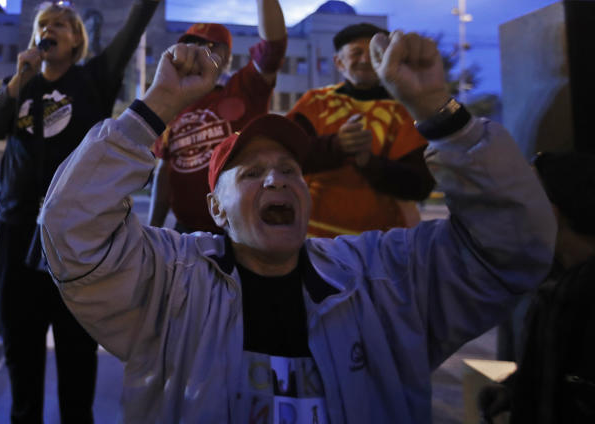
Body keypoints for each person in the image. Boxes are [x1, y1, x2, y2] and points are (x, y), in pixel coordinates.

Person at [39, 33, 555, 423]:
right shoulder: (170, 284)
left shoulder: (384, 281)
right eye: (252, 172)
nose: (276, 180)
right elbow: (71, 230)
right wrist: (153, 109)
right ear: (216, 209)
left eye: (290, 171)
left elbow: (513, 246)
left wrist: (442, 115)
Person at [0, 0, 171, 423]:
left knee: (75, 359)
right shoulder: (23, 86)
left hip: (75, 242)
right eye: (44, 24)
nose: (51, 29)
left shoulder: (94, 79)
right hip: (16, 234)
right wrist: (18, 81)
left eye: (61, 24)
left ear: (77, 39)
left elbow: (136, 23)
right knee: (21, 357)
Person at [148, 0, 287, 234]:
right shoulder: (172, 106)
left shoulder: (244, 89)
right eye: (193, 44)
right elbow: (165, 171)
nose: (200, 52)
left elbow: (273, 47)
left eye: (212, 47)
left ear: (226, 58)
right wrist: (154, 229)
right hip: (185, 233)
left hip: (240, 230)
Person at [478, 151, 595, 424]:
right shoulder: (554, 284)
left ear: (552, 211)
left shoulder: (580, 294)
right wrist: (514, 390)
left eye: (523, 193)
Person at [288, 22, 435, 237]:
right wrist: (335, 145)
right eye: (356, 53)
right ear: (339, 62)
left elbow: (420, 185)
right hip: (309, 237)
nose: (366, 60)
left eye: (374, 53)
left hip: (383, 245)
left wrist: (369, 163)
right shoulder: (314, 103)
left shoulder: (407, 110)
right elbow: (285, 154)